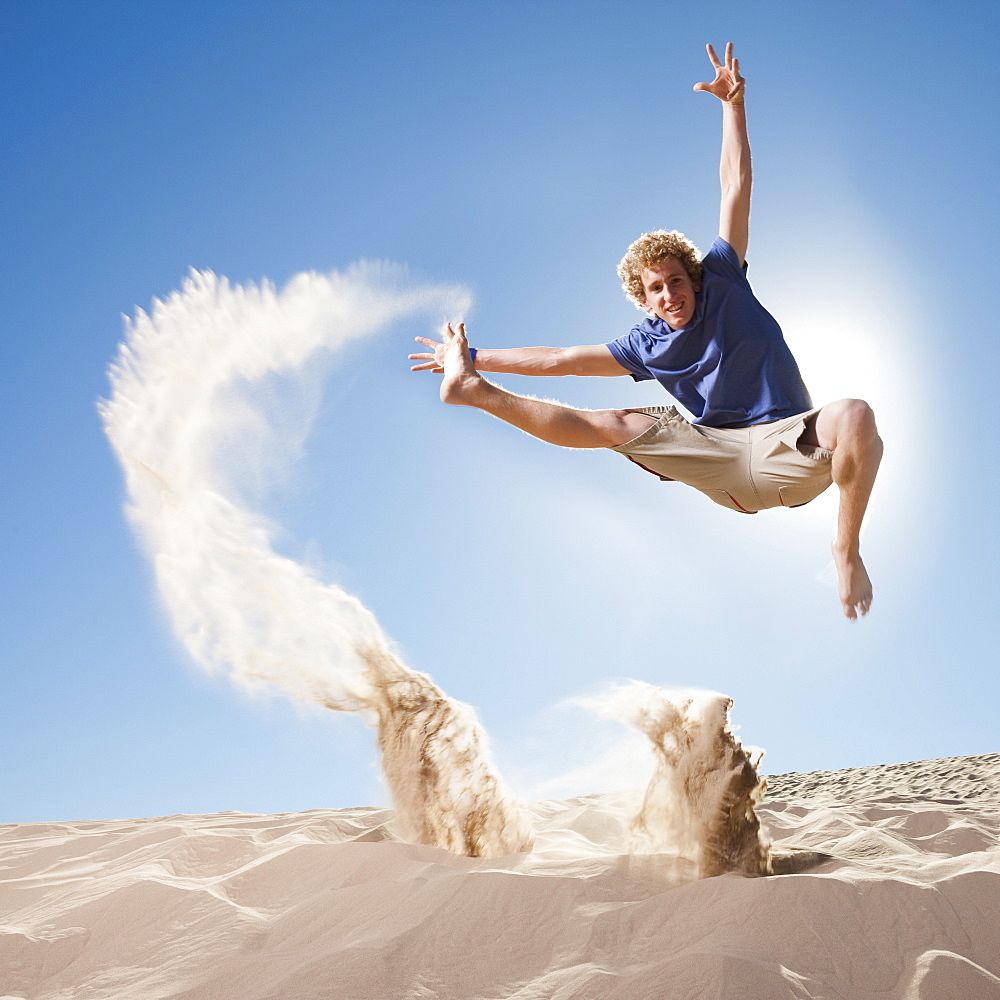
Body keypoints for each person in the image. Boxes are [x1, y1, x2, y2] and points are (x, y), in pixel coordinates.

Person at [409, 43, 883, 621]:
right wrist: (474, 357)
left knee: (855, 414)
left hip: (792, 453)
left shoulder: (724, 277)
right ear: (643, 298)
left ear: (695, 279)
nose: (670, 295)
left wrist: (733, 108)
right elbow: (561, 359)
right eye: (655, 289)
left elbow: (735, 189)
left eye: (677, 281)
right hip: (720, 460)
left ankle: (845, 548)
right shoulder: (645, 344)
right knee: (614, 423)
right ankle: (474, 393)